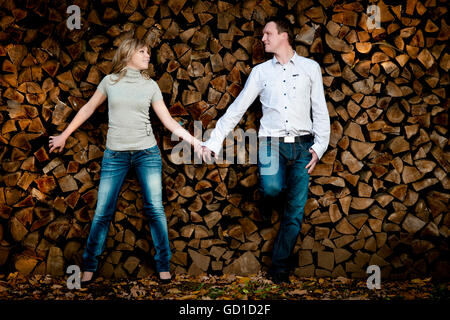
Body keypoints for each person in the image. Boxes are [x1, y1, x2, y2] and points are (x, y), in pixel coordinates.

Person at [49, 37, 202, 285]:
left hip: (147, 154)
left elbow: (169, 121)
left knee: (155, 209)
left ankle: (163, 265)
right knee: (102, 212)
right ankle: (89, 266)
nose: (147, 55)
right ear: (128, 53)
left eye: (148, 52)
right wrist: (65, 135)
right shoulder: (110, 82)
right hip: (115, 156)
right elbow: (88, 108)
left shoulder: (150, 85)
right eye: (142, 51)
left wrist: (195, 142)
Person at [201, 18, 330, 284]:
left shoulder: (310, 68)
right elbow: (236, 109)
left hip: (304, 147)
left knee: (294, 214)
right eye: (263, 35)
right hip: (270, 145)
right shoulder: (261, 72)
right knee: (271, 188)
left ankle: (280, 269)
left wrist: (319, 147)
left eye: (268, 34)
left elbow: (320, 111)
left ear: (284, 36)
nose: (263, 39)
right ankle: (286, 191)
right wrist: (213, 142)